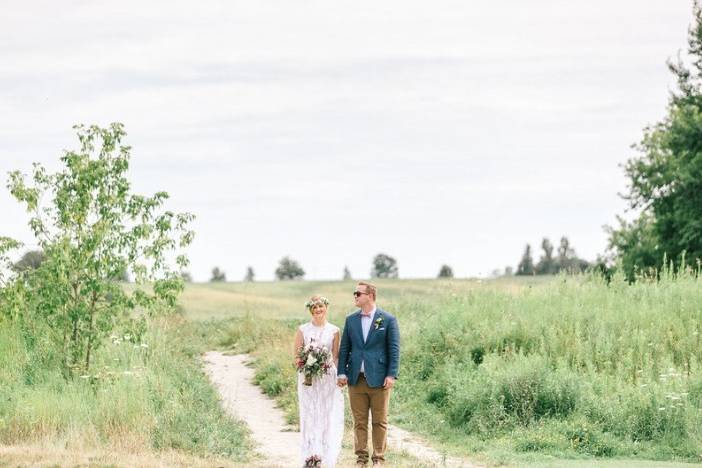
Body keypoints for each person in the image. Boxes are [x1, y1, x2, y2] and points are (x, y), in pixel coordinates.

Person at [337, 282, 400, 467]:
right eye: (354, 293)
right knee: (359, 422)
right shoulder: (351, 320)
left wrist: (391, 375)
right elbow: (345, 348)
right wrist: (341, 372)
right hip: (356, 379)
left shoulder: (388, 319)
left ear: (370, 295)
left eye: (358, 293)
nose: (355, 296)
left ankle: (378, 459)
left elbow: (394, 350)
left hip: (379, 379)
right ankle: (361, 459)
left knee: (380, 421)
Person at [294, 295, 344, 468]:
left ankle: (322, 454)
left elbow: (336, 357)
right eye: (314, 307)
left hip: (327, 378)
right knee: (309, 413)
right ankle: (310, 454)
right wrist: (307, 364)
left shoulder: (335, 330)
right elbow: (297, 357)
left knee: (326, 413)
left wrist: (337, 376)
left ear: (326, 307)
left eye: (320, 306)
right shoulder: (303, 330)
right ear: (310, 310)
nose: (318, 310)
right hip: (308, 378)